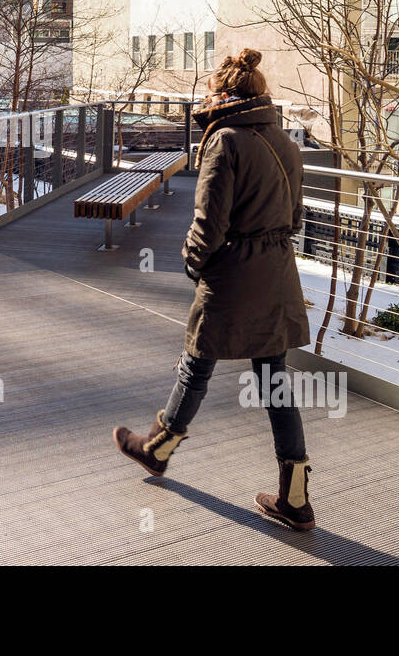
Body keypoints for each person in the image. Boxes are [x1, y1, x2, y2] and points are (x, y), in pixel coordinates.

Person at [112, 49, 317, 531]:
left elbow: (209, 224)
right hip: (277, 270)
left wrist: (191, 263)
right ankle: (295, 496)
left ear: (224, 96)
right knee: (274, 381)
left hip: (234, 273)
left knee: (197, 361)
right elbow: (295, 218)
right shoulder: (285, 142)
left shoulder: (224, 141)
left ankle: (158, 449)